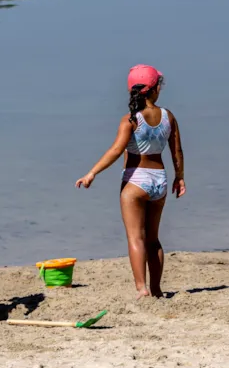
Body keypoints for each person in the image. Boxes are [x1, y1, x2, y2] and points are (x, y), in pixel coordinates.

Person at [76, 65, 185, 298]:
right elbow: (177, 151)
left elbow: (116, 150)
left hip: (136, 181)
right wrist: (180, 178)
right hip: (160, 181)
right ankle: (156, 289)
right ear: (155, 88)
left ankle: (141, 288)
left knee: (136, 237)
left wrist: (92, 173)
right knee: (154, 239)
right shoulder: (168, 116)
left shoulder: (131, 120)